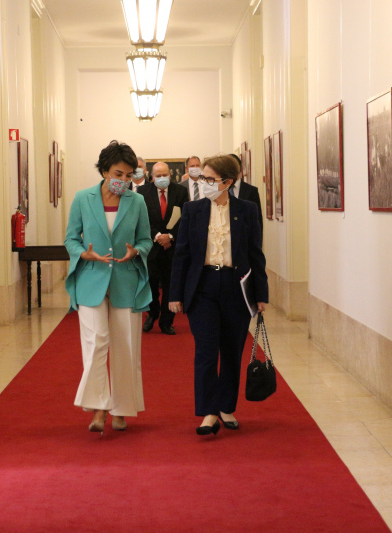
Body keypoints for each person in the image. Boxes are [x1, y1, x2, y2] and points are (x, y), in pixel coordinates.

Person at [169, 154, 268, 436]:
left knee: (232, 350)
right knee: (206, 351)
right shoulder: (193, 210)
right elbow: (182, 255)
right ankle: (208, 412)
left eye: (210, 179)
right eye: (202, 179)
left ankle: (226, 406)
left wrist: (261, 294)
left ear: (227, 182)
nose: (204, 184)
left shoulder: (246, 210)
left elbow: (255, 254)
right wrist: (175, 294)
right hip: (203, 287)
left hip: (236, 287)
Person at [64, 140, 153, 433]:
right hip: (91, 279)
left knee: (126, 346)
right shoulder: (82, 198)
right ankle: (98, 407)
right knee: (96, 343)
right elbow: (71, 239)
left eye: (130, 176)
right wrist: (83, 254)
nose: (124, 181)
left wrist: (136, 251)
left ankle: (122, 410)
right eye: (119, 174)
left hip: (126, 280)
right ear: (104, 171)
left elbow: (145, 240)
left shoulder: (136, 201)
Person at [139, 162, 189, 335]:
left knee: (170, 285)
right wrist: (158, 236)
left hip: (173, 247)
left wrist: (171, 236)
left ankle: (167, 322)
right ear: (152, 177)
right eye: (158, 175)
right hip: (152, 246)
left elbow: (185, 218)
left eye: (165, 175)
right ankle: (152, 314)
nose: (162, 178)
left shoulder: (181, 192)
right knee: (151, 283)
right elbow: (142, 218)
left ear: (170, 175)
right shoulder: (143, 193)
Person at [229, 153, 264, 232]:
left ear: (240, 168)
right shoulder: (220, 190)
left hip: (245, 237)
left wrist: (257, 243)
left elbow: (258, 220)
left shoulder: (251, 191)